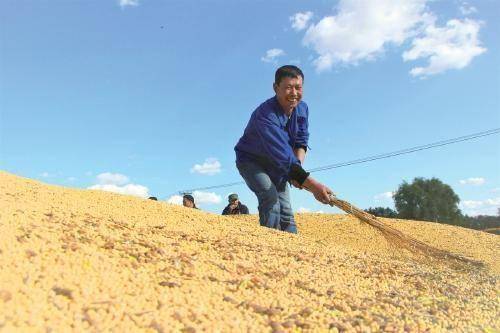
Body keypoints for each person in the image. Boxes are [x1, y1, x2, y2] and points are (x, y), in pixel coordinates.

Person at [234, 65, 332, 233]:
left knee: (285, 210)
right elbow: (283, 156)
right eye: (288, 87)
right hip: (252, 162)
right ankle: (272, 245)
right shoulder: (265, 115)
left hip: (279, 165)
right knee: (270, 197)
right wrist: (312, 185)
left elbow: (301, 141)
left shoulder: (302, 108)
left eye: (298, 87)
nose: (294, 93)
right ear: (275, 88)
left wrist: (298, 171)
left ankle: (294, 249)